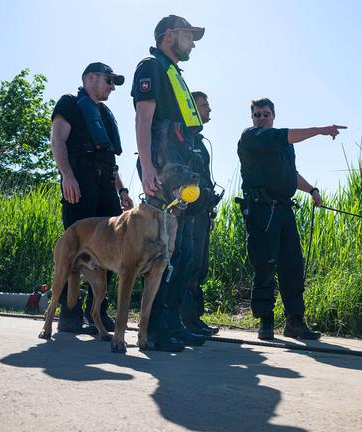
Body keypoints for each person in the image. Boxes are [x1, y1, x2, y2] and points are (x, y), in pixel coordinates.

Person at [131, 15, 210, 352]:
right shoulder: (151, 67)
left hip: (182, 167)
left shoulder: (174, 72)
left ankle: (173, 320)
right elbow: (143, 117)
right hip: (164, 169)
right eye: (188, 35)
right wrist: (148, 167)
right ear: (168, 36)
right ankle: (155, 328)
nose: (192, 42)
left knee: (187, 252)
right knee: (168, 250)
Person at [237, 98, 346, 340]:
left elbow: (291, 174)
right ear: (252, 118)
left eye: (266, 114)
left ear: (274, 115)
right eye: (257, 114)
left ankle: (295, 323)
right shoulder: (251, 137)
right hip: (262, 210)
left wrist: (312, 190)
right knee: (265, 264)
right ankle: (266, 323)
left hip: (285, 211)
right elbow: (285, 135)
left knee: (293, 266)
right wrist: (320, 130)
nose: (262, 118)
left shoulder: (285, 145)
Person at [50, 62, 133, 334]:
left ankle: (96, 311)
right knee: (74, 252)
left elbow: (110, 160)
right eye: (108, 80)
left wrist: (122, 191)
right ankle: (69, 315)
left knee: (110, 250)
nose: (112, 87)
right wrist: (67, 176)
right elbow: (58, 140)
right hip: (81, 184)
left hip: (106, 187)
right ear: (89, 78)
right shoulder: (70, 104)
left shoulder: (104, 114)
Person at [180, 91, 221, 337]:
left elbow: (205, 178)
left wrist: (211, 213)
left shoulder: (201, 142)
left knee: (201, 266)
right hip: (189, 213)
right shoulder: (183, 138)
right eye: (204, 105)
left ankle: (195, 318)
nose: (209, 110)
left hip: (203, 213)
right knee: (190, 264)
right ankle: (187, 321)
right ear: (192, 108)